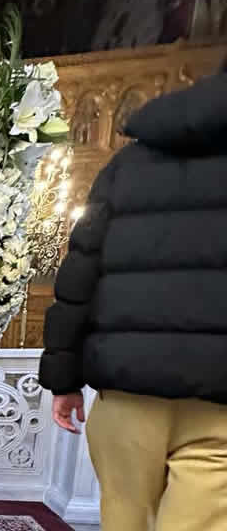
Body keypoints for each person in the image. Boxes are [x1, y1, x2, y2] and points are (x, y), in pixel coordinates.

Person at [39, 64, 227, 531]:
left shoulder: (126, 167)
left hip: (127, 392)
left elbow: (78, 275)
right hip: (218, 402)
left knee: (124, 519)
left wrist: (64, 380)